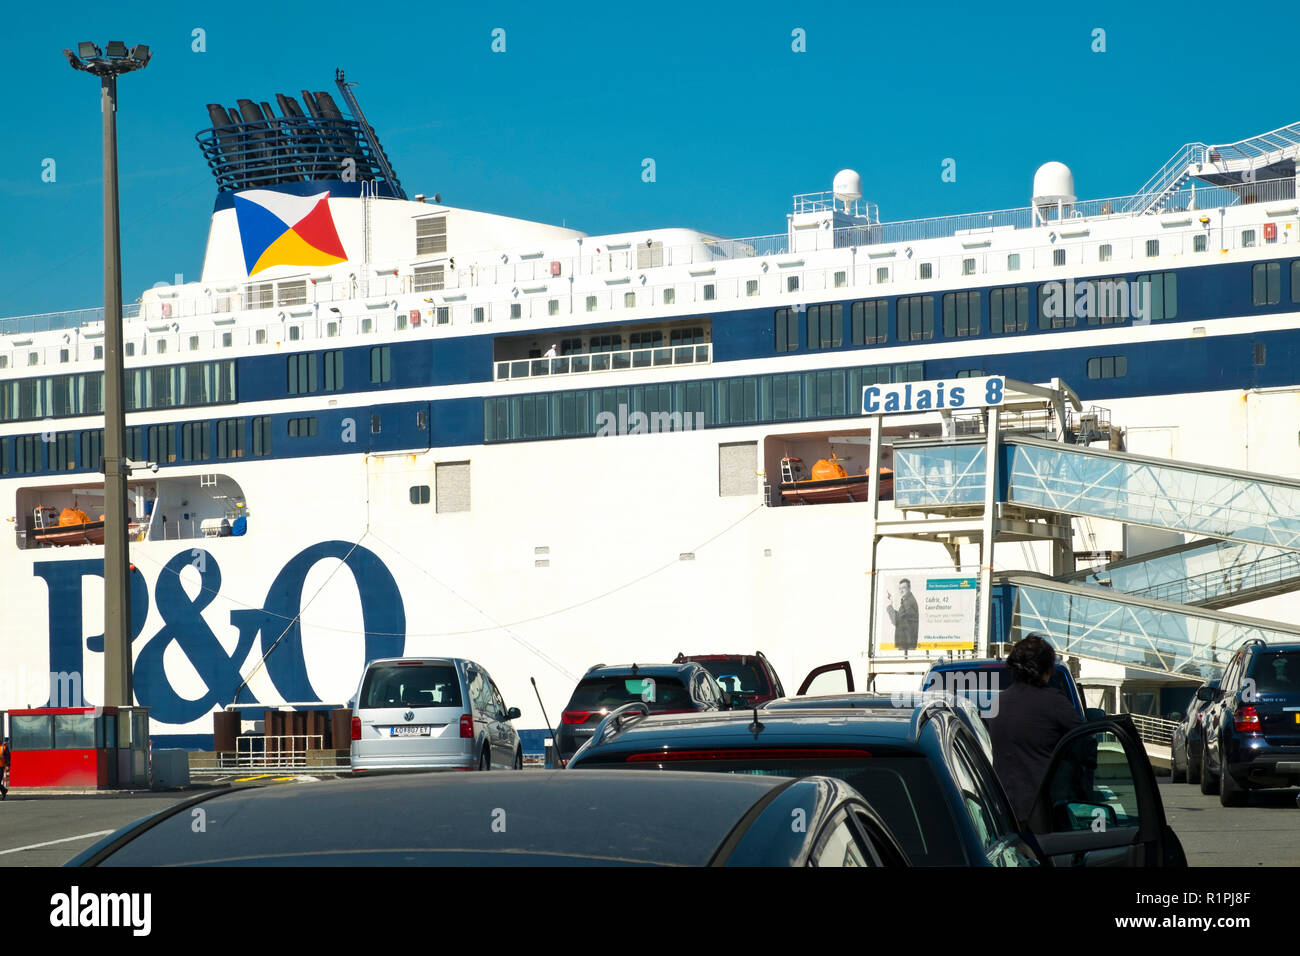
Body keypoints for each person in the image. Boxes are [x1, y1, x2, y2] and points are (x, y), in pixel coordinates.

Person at [988, 634, 1082, 827]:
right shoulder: (1054, 702)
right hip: (1041, 815)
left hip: (1002, 812)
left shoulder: (999, 702)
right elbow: (1085, 743)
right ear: (1047, 669)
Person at [885, 578, 919, 654]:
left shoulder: (908, 602)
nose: (901, 590)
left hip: (907, 644)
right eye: (899, 588)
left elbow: (896, 620)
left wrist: (889, 606)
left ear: (909, 588)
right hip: (907, 643)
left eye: (904, 588)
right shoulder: (907, 600)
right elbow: (901, 617)